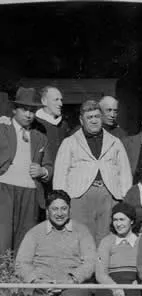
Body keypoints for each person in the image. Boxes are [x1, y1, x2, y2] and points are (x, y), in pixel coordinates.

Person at [53, 99, 132, 243]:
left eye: (97, 117)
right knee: (82, 238)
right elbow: (60, 175)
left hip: (109, 195)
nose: (94, 121)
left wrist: (124, 199)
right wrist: (60, 201)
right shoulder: (70, 142)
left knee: (107, 238)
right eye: (89, 117)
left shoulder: (115, 142)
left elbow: (125, 173)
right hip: (79, 196)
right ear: (81, 120)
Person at [0, 87, 54, 253]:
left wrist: (42, 171)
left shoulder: (40, 137)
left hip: (30, 191)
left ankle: (20, 268)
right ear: (14, 109)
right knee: (2, 237)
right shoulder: (2, 128)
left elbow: (49, 166)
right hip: (4, 187)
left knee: (24, 240)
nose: (29, 114)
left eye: (32, 110)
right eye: (24, 109)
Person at [33, 86, 70, 150]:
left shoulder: (64, 124)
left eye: (61, 100)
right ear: (44, 101)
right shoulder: (34, 124)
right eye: (56, 99)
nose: (61, 104)